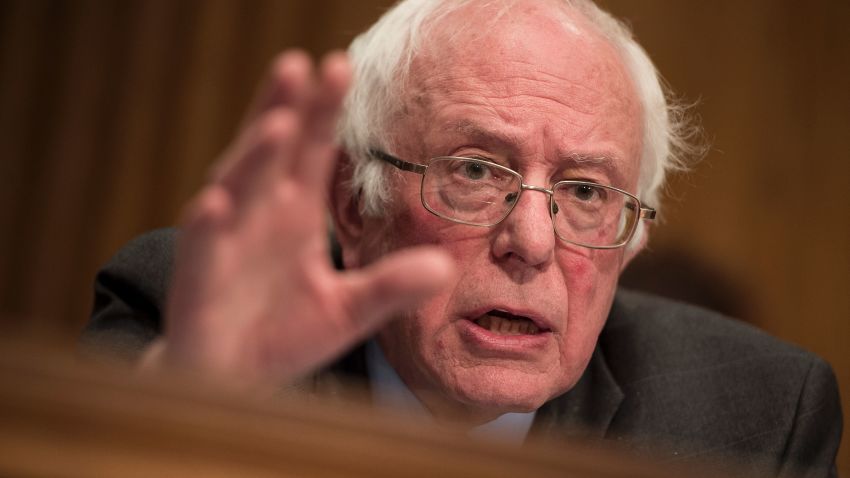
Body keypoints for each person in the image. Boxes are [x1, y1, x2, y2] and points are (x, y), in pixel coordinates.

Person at [83, 0, 842, 475]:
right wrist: (196, 403)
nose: (532, 243)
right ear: (354, 202)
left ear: (632, 236)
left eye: (585, 191)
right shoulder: (189, 316)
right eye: (477, 170)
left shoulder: (755, 419)